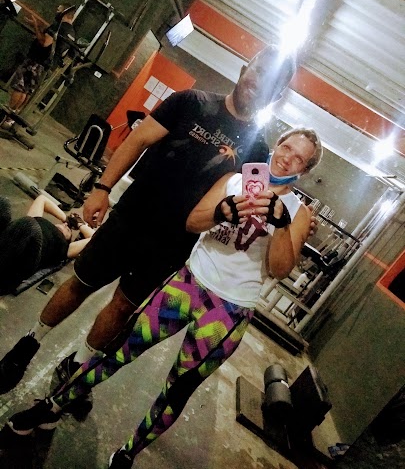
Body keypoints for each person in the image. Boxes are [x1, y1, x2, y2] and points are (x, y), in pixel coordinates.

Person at [0, 128, 323, 469]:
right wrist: (222, 211)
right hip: (189, 284)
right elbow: (193, 222)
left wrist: (281, 225)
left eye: (298, 158)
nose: (287, 158)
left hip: (229, 310)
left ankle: (127, 453)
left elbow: (279, 269)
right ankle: (49, 407)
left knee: (177, 389)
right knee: (118, 352)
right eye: (286, 147)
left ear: (303, 170)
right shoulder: (234, 180)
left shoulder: (298, 213)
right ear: (277, 145)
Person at [0, 45, 301, 396]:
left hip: (173, 244)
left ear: (276, 96)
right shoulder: (190, 102)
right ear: (244, 68)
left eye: (272, 83)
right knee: (81, 283)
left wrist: (288, 219)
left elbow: (239, 210)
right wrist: (102, 188)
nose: (260, 83)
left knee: (122, 307)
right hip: (131, 217)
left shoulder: (257, 152)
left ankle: (76, 365)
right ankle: (28, 345)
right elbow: (138, 139)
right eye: (260, 71)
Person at [0, 195, 95, 297]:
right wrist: (67, 218)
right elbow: (42, 199)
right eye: (64, 224)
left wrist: (80, 224)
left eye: (68, 230)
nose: (65, 225)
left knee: (28, 224)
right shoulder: (36, 220)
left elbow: (95, 238)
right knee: (3, 203)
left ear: (68, 240)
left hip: (19, 264)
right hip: (9, 242)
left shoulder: (66, 248)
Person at [1, 3, 76, 128]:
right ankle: (11, 118)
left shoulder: (58, 26)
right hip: (43, 65)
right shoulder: (71, 32)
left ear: (64, 13)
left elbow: (44, 42)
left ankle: (6, 114)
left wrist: (36, 25)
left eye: (59, 9)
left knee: (20, 88)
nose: (56, 11)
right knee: (26, 91)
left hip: (35, 60)